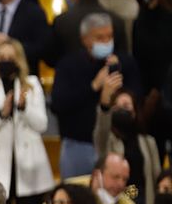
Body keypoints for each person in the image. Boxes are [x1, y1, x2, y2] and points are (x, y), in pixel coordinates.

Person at [51, 13, 141, 178]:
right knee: (78, 198)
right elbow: (58, 104)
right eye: (100, 37)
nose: (107, 42)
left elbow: (136, 97)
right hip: (78, 145)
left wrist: (120, 91)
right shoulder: (68, 65)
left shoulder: (125, 63)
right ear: (85, 39)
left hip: (116, 144)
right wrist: (94, 86)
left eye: (110, 36)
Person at [0, 39, 54, 204]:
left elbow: (42, 124)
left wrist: (24, 108)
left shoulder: (32, 85)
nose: (6, 61)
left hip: (29, 164)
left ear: (19, 60)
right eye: (2, 57)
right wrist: (1, 114)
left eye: (11, 57)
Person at [94, 88, 160, 204]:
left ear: (134, 111)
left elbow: (156, 175)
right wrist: (104, 106)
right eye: (117, 107)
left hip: (144, 198)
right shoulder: (107, 140)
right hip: (117, 197)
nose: (122, 111)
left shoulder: (148, 141)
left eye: (126, 106)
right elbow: (101, 129)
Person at [49, 0, 128, 63]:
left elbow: (52, 59)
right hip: (110, 75)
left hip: (72, 75)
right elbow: (124, 58)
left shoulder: (61, 21)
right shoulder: (116, 20)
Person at [133, 0, 172, 151]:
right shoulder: (139, 21)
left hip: (166, 92)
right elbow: (137, 58)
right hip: (147, 97)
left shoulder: (168, 19)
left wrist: (157, 90)